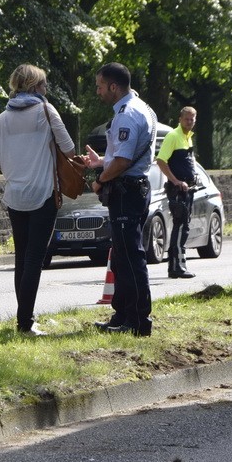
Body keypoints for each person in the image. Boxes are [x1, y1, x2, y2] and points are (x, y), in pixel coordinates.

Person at [0, 64, 75, 336]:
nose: (46, 89)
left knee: (21, 258)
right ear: (35, 86)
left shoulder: (2, 118)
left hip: (15, 196)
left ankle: (24, 318)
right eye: (44, 84)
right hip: (42, 195)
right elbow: (69, 147)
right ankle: (25, 323)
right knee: (34, 260)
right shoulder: (45, 111)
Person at [83, 63, 156, 336]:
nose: (98, 91)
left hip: (126, 190)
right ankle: (123, 315)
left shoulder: (127, 115)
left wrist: (100, 178)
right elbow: (125, 155)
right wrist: (101, 161)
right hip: (134, 189)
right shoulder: (143, 107)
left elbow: (124, 161)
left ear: (114, 87)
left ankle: (137, 321)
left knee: (130, 256)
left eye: (100, 86)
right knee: (124, 257)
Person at [156, 106, 198, 279]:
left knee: (183, 226)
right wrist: (176, 181)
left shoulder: (188, 138)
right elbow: (160, 161)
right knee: (181, 226)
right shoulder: (173, 136)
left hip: (188, 189)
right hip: (177, 190)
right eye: (187, 119)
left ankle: (176, 266)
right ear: (180, 119)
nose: (189, 122)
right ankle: (177, 266)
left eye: (192, 119)